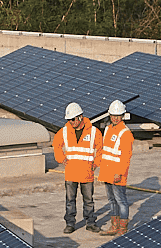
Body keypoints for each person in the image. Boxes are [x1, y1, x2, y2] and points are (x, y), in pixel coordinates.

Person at [53, 101, 100, 233]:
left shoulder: (94, 131)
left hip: (87, 172)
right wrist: (61, 159)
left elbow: (100, 149)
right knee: (70, 200)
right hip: (71, 172)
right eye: (69, 120)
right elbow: (56, 145)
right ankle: (70, 224)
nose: (71, 122)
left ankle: (90, 222)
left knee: (89, 201)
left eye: (73, 119)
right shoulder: (65, 131)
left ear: (80, 117)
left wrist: (95, 164)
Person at [98, 98, 136, 234]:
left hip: (117, 173)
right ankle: (114, 226)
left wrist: (119, 173)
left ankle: (122, 228)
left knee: (121, 200)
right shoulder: (107, 129)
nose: (115, 118)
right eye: (113, 115)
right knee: (112, 200)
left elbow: (126, 157)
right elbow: (104, 150)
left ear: (123, 116)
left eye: (118, 115)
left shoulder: (126, 134)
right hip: (106, 172)